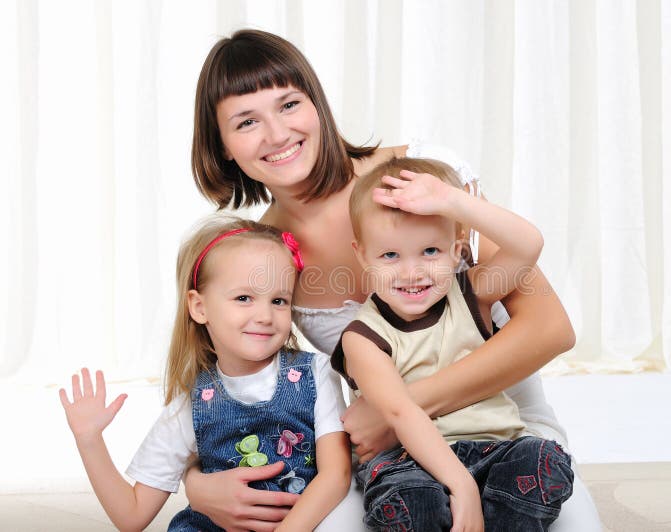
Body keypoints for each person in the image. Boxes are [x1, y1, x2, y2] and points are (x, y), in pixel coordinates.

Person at [184, 28, 602, 532]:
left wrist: (394, 411)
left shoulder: (425, 180)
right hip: (387, 457)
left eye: (289, 104)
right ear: (223, 145)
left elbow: (551, 328)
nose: (276, 134)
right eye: (247, 121)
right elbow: (233, 380)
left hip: (506, 425)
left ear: (316, 104)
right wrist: (193, 479)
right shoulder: (263, 252)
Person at [59, 217, 351, 531]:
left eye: (278, 300)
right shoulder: (193, 402)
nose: (265, 316)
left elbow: (336, 476)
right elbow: (132, 516)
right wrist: (89, 441)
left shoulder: (315, 373)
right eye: (244, 298)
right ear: (199, 307)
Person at [331, 156, 574, 531]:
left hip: (495, 446)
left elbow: (528, 244)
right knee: (412, 502)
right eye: (390, 255)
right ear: (362, 255)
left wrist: (453, 201)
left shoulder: (470, 295)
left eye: (430, 251)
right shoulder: (363, 338)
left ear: (457, 251)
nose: (412, 272)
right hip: (409, 462)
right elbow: (399, 413)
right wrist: (461, 484)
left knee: (542, 460)